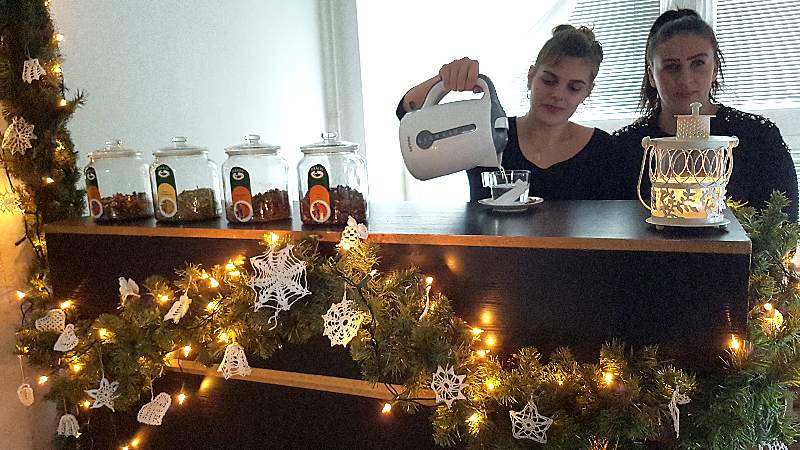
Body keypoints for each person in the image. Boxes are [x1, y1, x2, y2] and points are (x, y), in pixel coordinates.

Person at [396, 25, 624, 202]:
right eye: (549, 80)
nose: (558, 95)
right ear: (531, 76)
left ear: (587, 92)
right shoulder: (487, 132)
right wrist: (444, 79)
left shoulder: (604, 151)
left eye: (573, 88)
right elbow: (406, 113)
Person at [614, 9, 799, 221]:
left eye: (698, 63)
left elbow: (782, 228)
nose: (685, 79)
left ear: (715, 68)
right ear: (651, 76)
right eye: (672, 67)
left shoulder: (759, 138)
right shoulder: (623, 148)